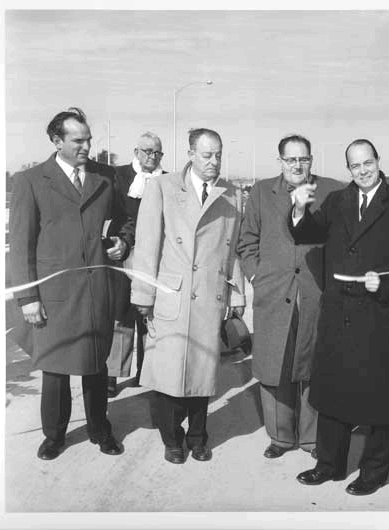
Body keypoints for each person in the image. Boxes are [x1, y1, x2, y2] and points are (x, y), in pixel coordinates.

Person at [290, 139, 389, 496]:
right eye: (355, 166)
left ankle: (373, 472)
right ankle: (329, 465)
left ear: (378, 162)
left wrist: (384, 279)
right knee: (333, 397)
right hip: (341, 317)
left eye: (368, 163)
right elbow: (310, 234)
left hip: (382, 317)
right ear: (348, 170)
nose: (363, 171)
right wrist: (298, 210)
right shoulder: (338, 201)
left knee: (380, 402)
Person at [9, 107, 134, 460]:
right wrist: (27, 298)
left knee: (96, 364)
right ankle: (55, 436)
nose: (86, 146)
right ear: (56, 140)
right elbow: (20, 247)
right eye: (78, 140)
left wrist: (122, 242)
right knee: (56, 369)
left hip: (97, 290)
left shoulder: (106, 176)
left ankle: (100, 429)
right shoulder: (30, 181)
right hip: (54, 295)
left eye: (88, 139)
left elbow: (125, 220)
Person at [131, 128, 246, 465]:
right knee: (168, 374)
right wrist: (143, 294)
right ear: (191, 154)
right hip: (172, 296)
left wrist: (235, 294)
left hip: (210, 296)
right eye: (207, 155)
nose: (214, 162)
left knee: (202, 373)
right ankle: (172, 440)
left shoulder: (232, 195)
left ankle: (198, 438)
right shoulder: (162, 188)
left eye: (219, 155)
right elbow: (147, 245)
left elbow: (233, 250)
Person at [237, 135, 344, 459]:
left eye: (304, 159)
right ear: (280, 161)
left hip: (316, 293)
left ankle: (312, 438)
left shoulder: (332, 191)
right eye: (290, 160)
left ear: (312, 160)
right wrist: (257, 275)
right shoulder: (260, 192)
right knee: (274, 364)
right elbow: (247, 241)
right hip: (274, 292)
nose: (297, 165)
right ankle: (280, 437)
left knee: (314, 366)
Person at [106, 132, 166, 397]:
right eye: (147, 151)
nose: (151, 157)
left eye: (157, 153)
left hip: (154, 255)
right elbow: (108, 215)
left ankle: (146, 371)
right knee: (121, 313)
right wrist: (117, 243)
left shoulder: (168, 179)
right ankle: (112, 374)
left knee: (148, 312)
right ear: (136, 151)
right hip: (122, 251)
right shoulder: (117, 176)